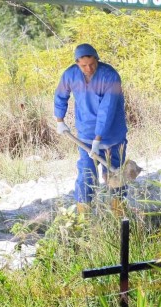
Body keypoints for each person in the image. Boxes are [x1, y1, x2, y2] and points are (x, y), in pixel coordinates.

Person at [54, 43, 128, 204]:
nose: (88, 69)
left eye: (92, 64)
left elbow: (107, 109)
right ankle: (83, 215)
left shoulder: (111, 76)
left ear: (97, 59)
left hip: (112, 135)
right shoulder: (70, 75)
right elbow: (60, 96)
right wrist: (60, 120)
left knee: (115, 174)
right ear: (77, 64)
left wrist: (99, 138)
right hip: (86, 134)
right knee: (87, 173)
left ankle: (117, 211)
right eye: (84, 66)